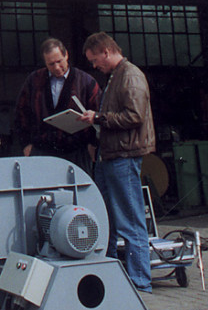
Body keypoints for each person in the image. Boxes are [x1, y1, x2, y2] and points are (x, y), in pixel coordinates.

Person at [79, 32, 155, 293]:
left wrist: (99, 118)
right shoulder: (115, 77)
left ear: (106, 52)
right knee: (108, 218)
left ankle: (140, 283)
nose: (94, 65)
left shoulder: (130, 76)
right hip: (110, 156)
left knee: (129, 220)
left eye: (94, 60)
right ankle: (113, 275)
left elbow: (134, 116)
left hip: (123, 157)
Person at [14, 37, 100, 171]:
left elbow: (98, 113)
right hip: (41, 150)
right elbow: (21, 113)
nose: (57, 67)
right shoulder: (34, 80)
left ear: (66, 55)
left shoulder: (86, 82)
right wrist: (26, 144)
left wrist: (93, 144)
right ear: (45, 63)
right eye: (51, 64)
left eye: (59, 61)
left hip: (77, 151)